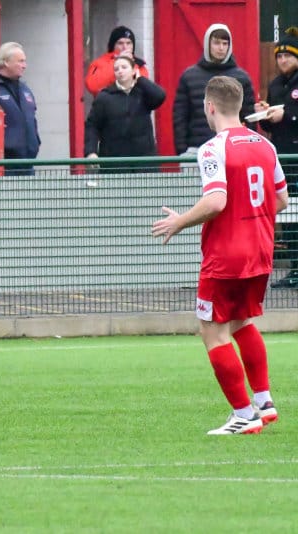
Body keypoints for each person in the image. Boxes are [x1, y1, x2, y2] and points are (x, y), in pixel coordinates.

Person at [150, 76, 287, 435]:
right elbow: (282, 199)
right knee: (241, 321)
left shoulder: (213, 148)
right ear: (239, 106)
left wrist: (180, 221)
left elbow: (215, 201)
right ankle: (264, 401)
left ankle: (243, 414)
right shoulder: (265, 145)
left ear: (209, 107)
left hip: (226, 254)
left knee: (212, 332)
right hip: (260, 250)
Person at [173, 23, 256, 156]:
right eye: (216, 43)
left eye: (225, 43)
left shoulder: (241, 78)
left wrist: (248, 146)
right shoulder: (189, 76)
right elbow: (180, 117)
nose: (221, 48)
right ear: (208, 44)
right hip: (196, 149)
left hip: (232, 149)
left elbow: (249, 116)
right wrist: (182, 151)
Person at [256, 27, 298, 289]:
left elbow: (290, 116)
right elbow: (271, 126)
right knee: (289, 213)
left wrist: (289, 115)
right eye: (279, 56)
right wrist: (265, 115)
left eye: (288, 56)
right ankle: (295, 267)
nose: (283, 60)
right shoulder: (274, 85)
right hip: (282, 158)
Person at [84, 56, 166, 169]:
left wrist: (140, 79)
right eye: (116, 69)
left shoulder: (143, 92)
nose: (120, 71)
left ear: (133, 70)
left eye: (124, 67)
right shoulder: (104, 96)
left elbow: (160, 96)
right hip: (114, 162)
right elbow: (92, 125)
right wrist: (91, 152)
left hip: (144, 161)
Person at [0, 42, 40, 173]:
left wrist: (36, 141)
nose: (24, 66)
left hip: (28, 162)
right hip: (5, 165)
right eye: (20, 61)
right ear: (6, 62)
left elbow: (32, 119)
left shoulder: (25, 90)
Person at [84, 25, 151, 97]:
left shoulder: (139, 65)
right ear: (113, 45)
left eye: (128, 43)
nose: (125, 47)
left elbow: (144, 91)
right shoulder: (99, 63)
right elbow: (92, 86)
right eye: (120, 43)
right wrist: (117, 62)